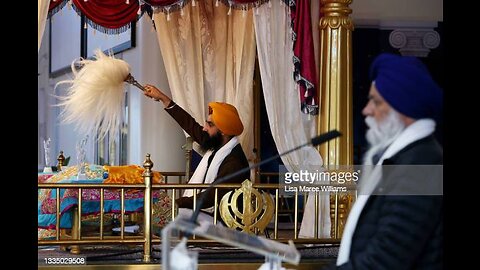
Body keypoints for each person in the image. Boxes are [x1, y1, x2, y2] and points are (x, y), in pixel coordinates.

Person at [325, 53, 443, 269]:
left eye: (376, 102)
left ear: (403, 109)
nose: (366, 110)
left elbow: (384, 261)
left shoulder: (422, 165)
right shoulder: (406, 158)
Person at [143, 84, 250, 224]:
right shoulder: (218, 143)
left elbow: (211, 196)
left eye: (210, 125)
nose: (204, 128)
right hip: (208, 214)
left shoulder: (234, 161)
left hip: (223, 223)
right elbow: (190, 125)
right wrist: (163, 99)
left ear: (223, 131)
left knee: (173, 215)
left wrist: (177, 203)